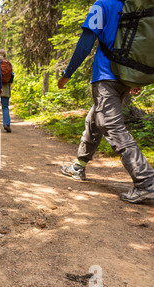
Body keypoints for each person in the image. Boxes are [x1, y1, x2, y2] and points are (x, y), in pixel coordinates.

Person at [58, 0, 154, 204]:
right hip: (124, 75)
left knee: (110, 125)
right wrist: (136, 76)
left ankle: (146, 181)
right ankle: (78, 167)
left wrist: (68, 74)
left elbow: (85, 42)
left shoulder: (103, 4)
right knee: (94, 120)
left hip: (105, 76)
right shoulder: (135, 7)